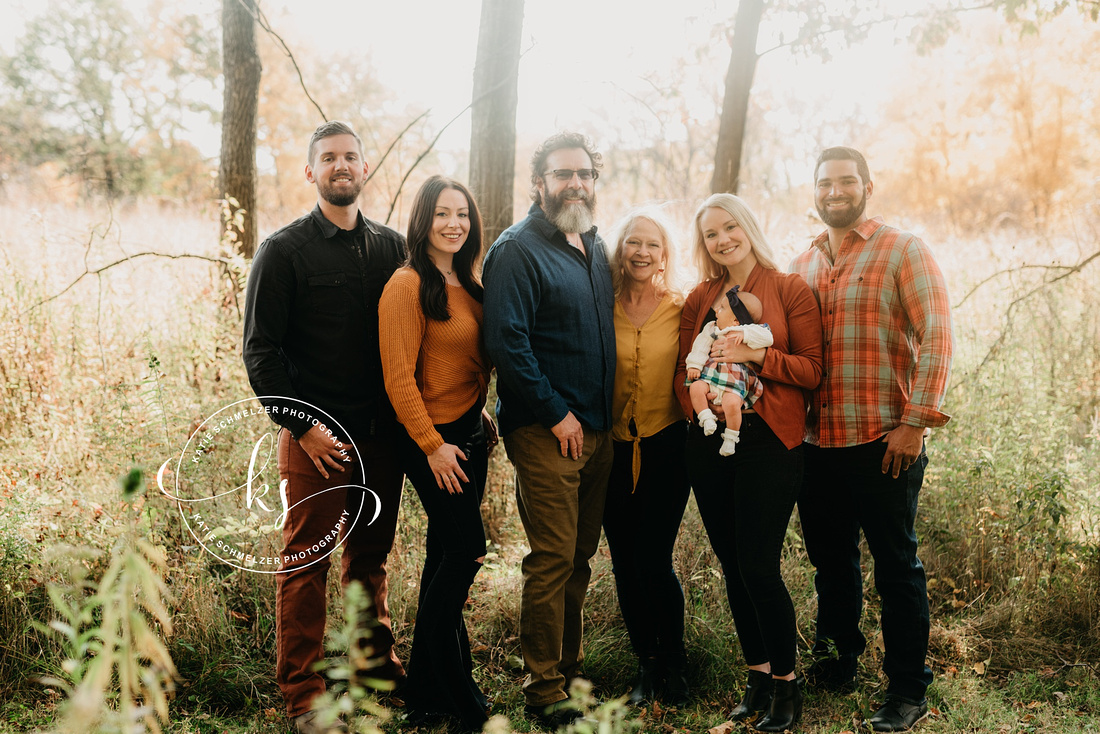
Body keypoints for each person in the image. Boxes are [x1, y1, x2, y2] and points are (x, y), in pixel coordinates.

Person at [242, 121, 407, 734]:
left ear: (365, 169)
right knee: (306, 561)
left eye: (351, 157)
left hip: (382, 434)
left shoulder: (392, 249)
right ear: (311, 172)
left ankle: (374, 667)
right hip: (317, 438)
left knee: (371, 555)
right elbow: (262, 353)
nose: (342, 166)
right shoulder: (284, 252)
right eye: (329, 158)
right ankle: (303, 692)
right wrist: (304, 428)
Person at [791, 146, 953, 732]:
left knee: (896, 566)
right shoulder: (802, 264)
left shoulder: (903, 250)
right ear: (813, 190)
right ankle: (838, 665)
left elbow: (936, 335)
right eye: (824, 183)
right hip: (816, 445)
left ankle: (908, 688)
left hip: (885, 441)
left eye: (845, 181)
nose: (834, 192)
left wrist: (915, 423)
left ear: (867, 185)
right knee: (831, 565)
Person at [674, 193, 823, 732]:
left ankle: (787, 683)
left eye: (730, 227)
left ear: (748, 228)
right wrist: (700, 397)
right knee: (734, 565)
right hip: (710, 440)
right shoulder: (700, 297)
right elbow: (682, 369)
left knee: (759, 565)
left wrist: (755, 356)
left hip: (769, 441)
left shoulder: (788, 290)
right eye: (711, 234)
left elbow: (810, 371)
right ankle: (757, 676)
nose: (722, 239)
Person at [482, 131, 616, 729]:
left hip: (598, 431)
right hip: (548, 431)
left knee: (580, 556)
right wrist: (556, 413)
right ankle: (543, 689)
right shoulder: (516, 250)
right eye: (563, 174)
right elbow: (507, 345)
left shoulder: (594, 243)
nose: (575, 184)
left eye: (584, 174)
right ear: (538, 182)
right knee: (552, 557)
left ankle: (568, 664)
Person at [378, 176, 496, 732]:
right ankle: (457, 692)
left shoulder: (469, 283)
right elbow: (399, 380)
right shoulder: (406, 285)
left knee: (442, 555)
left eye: (463, 215)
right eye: (443, 214)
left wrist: (480, 413)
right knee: (467, 550)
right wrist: (432, 446)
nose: (455, 223)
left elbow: (469, 361)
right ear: (422, 219)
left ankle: (426, 692)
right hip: (433, 442)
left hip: (471, 435)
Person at [600, 207, 692, 706]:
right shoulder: (601, 303)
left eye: (652, 245)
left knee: (654, 559)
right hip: (611, 448)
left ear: (664, 254)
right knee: (623, 563)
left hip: (666, 447)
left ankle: (674, 662)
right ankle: (646, 665)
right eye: (633, 242)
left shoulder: (681, 307)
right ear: (620, 250)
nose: (641, 252)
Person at [684, 286, 772, 456]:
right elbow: (700, 345)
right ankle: (705, 417)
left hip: (734, 383)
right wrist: (694, 365)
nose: (717, 310)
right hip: (710, 377)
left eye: (722, 308)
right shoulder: (712, 328)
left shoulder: (751, 331)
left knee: (732, 404)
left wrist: (745, 334)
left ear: (736, 321)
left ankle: (731, 439)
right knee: (695, 388)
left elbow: (768, 338)